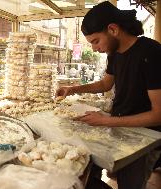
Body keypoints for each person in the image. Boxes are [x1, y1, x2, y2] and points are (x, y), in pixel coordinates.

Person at [56, 2, 161, 189]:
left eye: (96, 41)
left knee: (131, 184)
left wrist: (106, 121)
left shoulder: (151, 53)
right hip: (119, 127)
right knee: (102, 172)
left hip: (144, 138)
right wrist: (73, 89)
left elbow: (158, 114)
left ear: (113, 29)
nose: (95, 49)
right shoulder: (115, 54)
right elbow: (105, 84)